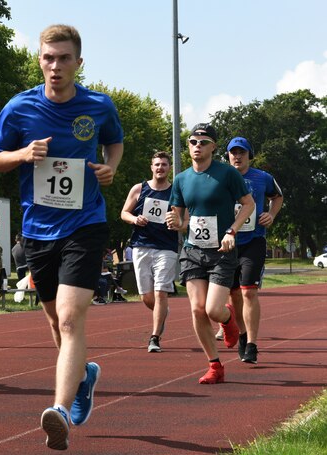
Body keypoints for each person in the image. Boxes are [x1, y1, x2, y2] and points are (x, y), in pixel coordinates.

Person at [0, 24, 124, 450]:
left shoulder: (99, 106)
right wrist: (23, 154)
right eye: (49, 57)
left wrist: (110, 168)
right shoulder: (19, 108)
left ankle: (60, 410)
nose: (56, 65)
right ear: (39, 61)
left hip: (85, 223)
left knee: (69, 317)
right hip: (37, 228)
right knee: (53, 321)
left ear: (78, 63)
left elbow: (114, 143)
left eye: (65, 58)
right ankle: (84, 377)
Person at [166, 123, 254, 385]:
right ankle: (215, 366)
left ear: (213, 147)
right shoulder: (181, 179)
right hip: (192, 251)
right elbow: (181, 220)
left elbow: (248, 204)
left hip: (222, 251)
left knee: (213, 309)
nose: (197, 146)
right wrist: (175, 223)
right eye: (193, 142)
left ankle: (228, 321)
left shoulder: (227, 174)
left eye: (203, 142)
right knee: (196, 310)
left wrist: (232, 231)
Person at [225, 136, 283, 364]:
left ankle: (251, 344)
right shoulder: (220, 176)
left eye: (242, 152)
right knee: (235, 295)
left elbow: (277, 197)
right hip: (226, 243)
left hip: (254, 241)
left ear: (250, 155)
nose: (237, 156)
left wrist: (271, 214)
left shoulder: (263, 178)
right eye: (233, 152)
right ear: (228, 155)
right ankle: (241, 334)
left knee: (248, 291)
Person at [120, 151, 180, 352]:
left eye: (164, 164)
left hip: (166, 248)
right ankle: (162, 312)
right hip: (141, 245)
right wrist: (135, 219)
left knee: (160, 292)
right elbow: (124, 213)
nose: (160, 168)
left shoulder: (176, 192)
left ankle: (154, 338)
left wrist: (178, 223)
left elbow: (185, 220)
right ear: (151, 167)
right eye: (157, 164)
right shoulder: (139, 189)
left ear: (169, 168)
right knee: (147, 297)